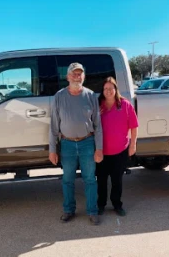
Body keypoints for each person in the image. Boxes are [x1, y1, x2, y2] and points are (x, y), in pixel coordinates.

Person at [49, 63, 103, 225]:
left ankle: (92, 211)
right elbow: (53, 126)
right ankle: (68, 210)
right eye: (74, 74)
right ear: (67, 77)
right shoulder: (59, 96)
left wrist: (99, 148)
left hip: (87, 143)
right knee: (67, 180)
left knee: (90, 179)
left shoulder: (91, 96)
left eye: (80, 74)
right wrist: (52, 149)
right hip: (67, 144)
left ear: (84, 77)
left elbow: (98, 126)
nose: (77, 77)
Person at [96, 77, 138, 216]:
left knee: (117, 180)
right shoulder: (97, 105)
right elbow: (90, 126)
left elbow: (134, 126)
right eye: (105, 89)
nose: (108, 91)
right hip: (101, 151)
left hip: (120, 151)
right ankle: (100, 205)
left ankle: (117, 204)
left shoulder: (125, 105)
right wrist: (96, 115)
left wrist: (133, 145)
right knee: (101, 180)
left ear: (115, 89)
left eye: (110, 88)